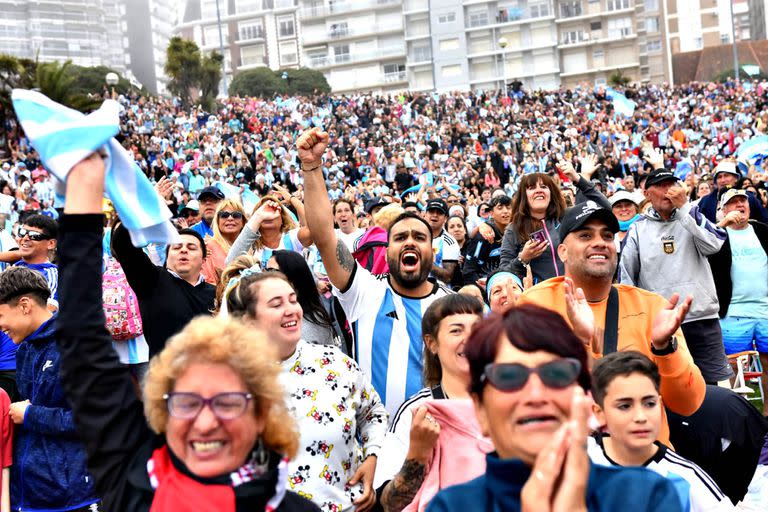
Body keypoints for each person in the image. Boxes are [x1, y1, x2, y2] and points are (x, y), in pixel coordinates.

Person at [55, 153, 319, 511]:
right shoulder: (133, 493)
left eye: (228, 403)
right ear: (163, 415)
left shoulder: (296, 509)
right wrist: (85, 196)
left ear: (259, 413)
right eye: (187, 404)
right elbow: (81, 336)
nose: (206, 422)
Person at [426, 305, 683, 512]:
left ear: (583, 400)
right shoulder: (450, 506)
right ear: (480, 410)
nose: (536, 395)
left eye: (557, 374)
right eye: (508, 376)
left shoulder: (647, 498)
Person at [518, 201, 706, 445]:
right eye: (586, 235)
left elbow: (688, 404)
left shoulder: (651, 308)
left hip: (642, 462)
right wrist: (581, 342)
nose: (599, 242)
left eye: (607, 235)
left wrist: (664, 349)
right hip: (569, 458)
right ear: (563, 251)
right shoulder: (534, 306)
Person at [297, 127, 453, 416]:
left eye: (419, 238)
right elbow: (324, 237)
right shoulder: (364, 290)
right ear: (386, 250)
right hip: (375, 447)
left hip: (434, 442)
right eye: (400, 237)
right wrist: (311, 166)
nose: (409, 241)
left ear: (433, 252)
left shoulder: (450, 306)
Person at [223, 269, 387, 512]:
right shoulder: (227, 382)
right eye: (276, 304)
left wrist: (372, 458)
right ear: (249, 320)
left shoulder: (334, 363)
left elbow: (373, 413)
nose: (291, 309)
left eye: (293, 299)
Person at [619, 156, 732, 384]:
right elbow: (626, 279)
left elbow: (715, 243)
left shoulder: (691, 216)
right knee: (667, 386)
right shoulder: (638, 229)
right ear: (647, 195)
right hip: (662, 324)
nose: (667, 191)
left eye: (671, 185)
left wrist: (685, 208)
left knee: (710, 387)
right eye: (660, 186)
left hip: (702, 317)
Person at [0, 266, 100, 511]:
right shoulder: (25, 348)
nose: (0, 325)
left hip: (70, 496)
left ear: (24, 305)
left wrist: (31, 415)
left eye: (0, 315)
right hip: (30, 492)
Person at [376, 294, 485, 511]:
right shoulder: (417, 412)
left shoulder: (509, 402)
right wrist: (418, 453)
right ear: (431, 343)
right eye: (456, 330)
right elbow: (389, 504)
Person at [589, 351, 732, 512]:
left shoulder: (687, 480)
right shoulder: (576, 459)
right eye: (625, 406)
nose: (640, 417)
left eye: (649, 403)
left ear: (661, 405)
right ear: (599, 413)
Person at [112, 220, 216, 357]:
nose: (184, 250)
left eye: (191, 247)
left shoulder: (216, 293)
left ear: (203, 260)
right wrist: (143, 209)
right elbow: (122, 242)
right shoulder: (151, 280)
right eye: (177, 247)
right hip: (164, 375)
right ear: (167, 257)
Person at [499, 155, 609, 284]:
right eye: (532, 188)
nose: (539, 191)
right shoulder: (515, 229)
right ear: (524, 196)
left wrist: (578, 178)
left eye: (544, 187)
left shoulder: (567, 217)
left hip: (575, 293)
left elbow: (605, 209)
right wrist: (523, 258)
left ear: (551, 193)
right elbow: (503, 273)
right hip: (541, 298)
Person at [710, 188, 768, 414]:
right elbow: (701, 245)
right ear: (723, 209)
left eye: (742, 201)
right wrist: (722, 224)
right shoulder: (718, 236)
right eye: (732, 203)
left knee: (767, 364)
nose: (739, 205)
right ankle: (736, 415)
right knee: (733, 366)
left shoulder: (763, 231)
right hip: (733, 311)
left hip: (765, 310)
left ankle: (765, 414)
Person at [222, 252, 341, 349]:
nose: (266, 275)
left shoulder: (309, 328)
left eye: (293, 301)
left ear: (294, 278)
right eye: (276, 305)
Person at [225, 195, 310, 269]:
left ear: (282, 220)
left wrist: (292, 199)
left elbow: (312, 230)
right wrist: (258, 216)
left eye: (274, 210)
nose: (268, 216)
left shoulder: (292, 238)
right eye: (263, 211)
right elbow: (230, 263)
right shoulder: (251, 248)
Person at [462, 194, 512, 286]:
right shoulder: (484, 236)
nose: (505, 211)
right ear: (491, 213)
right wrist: (486, 290)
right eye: (500, 208)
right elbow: (469, 272)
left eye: (508, 208)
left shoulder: (515, 233)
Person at [698, 160, 768, 224]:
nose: (723, 180)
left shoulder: (749, 197)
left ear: (736, 178)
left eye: (726, 175)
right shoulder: (705, 201)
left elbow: (764, 220)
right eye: (719, 177)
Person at [201, 199, 247, 285]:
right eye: (224, 215)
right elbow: (207, 282)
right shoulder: (208, 246)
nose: (230, 218)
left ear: (243, 222)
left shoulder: (253, 246)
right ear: (217, 221)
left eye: (236, 215)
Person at [424, 199, 460, 286]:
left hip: (437, 290)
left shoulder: (449, 242)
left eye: (439, 213)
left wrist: (424, 261)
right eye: (431, 211)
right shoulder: (414, 236)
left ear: (445, 218)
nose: (435, 215)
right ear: (425, 215)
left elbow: (447, 277)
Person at [445, 215, 469, 291]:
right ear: (446, 232)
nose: (456, 229)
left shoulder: (474, 246)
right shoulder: (443, 250)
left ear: (465, 229)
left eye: (459, 226)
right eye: (452, 227)